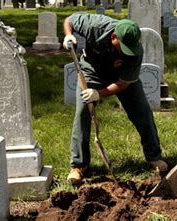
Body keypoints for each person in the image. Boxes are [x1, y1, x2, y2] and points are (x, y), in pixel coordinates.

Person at [63, 12, 168, 185]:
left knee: (142, 111)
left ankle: (154, 157)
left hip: (121, 77)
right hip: (91, 72)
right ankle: (79, 166)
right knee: (82, 112)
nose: (127, 52)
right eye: (123, 47)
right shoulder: (94, 26)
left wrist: (99, 93)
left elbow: (123, 84)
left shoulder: (135, 51)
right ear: (113, 36)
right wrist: (69, 35)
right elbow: (70, 20)